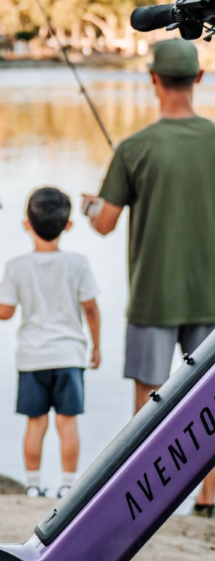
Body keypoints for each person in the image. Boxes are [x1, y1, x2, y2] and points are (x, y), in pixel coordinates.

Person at [81, 39, 215, 516]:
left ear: (153, 80)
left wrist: (90, 206)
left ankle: (148, 502)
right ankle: (209, 497)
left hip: (153, 297)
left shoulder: (134, 148)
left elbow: (104, 222)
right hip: (211, 295)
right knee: (210, 402)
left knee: (149, 399)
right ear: (198, 80)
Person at [0, 188, 101, 497]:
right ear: (69, 226)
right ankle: (67, 483)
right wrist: (96, 346)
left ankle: (34, 485)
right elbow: (90, 308)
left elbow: (5, 311)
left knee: (35, 424)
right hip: (69, 356)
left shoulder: (16, 266)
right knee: (68, 423)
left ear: (27, 224)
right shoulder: (78, 263)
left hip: (32, 358)